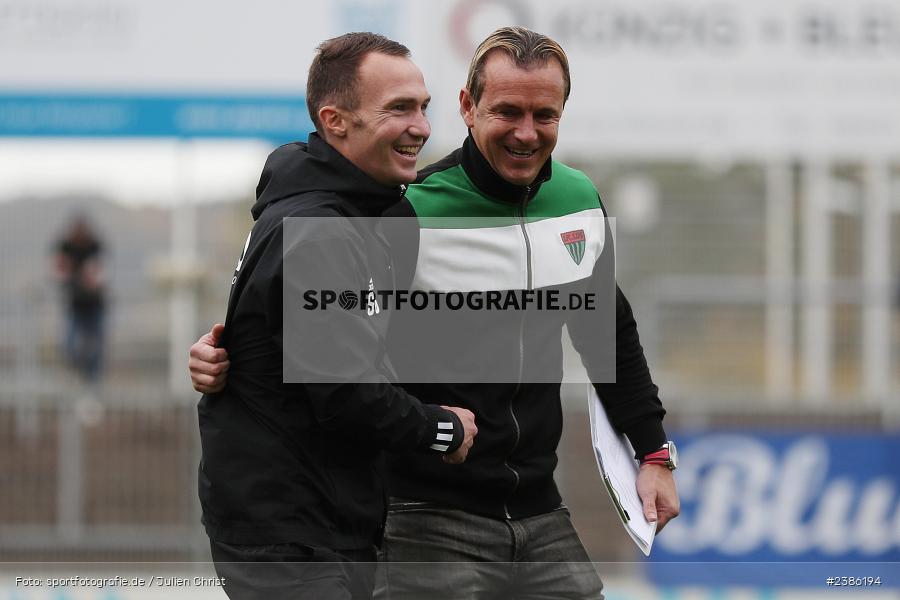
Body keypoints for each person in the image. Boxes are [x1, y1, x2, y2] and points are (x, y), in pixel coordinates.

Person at [192, 27, 678, 600]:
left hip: (540, 509)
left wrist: (653, 452)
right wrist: (229, 353)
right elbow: (313, 320)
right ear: (469, 108)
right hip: (424, 512)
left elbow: (608, 336)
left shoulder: (577, 199)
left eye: (544, 115)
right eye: (507, 112)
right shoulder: (406, 210)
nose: (526, 133)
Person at [196, 32, 476, 600]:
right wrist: (441, 429)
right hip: (289, 533)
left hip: (331, 518)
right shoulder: (321, 228)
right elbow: (343, 387)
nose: (420, 125)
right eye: (398, 108)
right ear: (336, 120)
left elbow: (302, 343)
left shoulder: (368, 210)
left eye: (423, 106)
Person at [53, 214, 107, 383]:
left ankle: (92, 382)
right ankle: (80, 373)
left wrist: (90, 279)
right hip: (75, 305)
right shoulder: (66, 246)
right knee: (71, 347)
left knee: (96, 348)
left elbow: (98, 274)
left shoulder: (94, 246)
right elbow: (59, 270)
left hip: (95, 305)